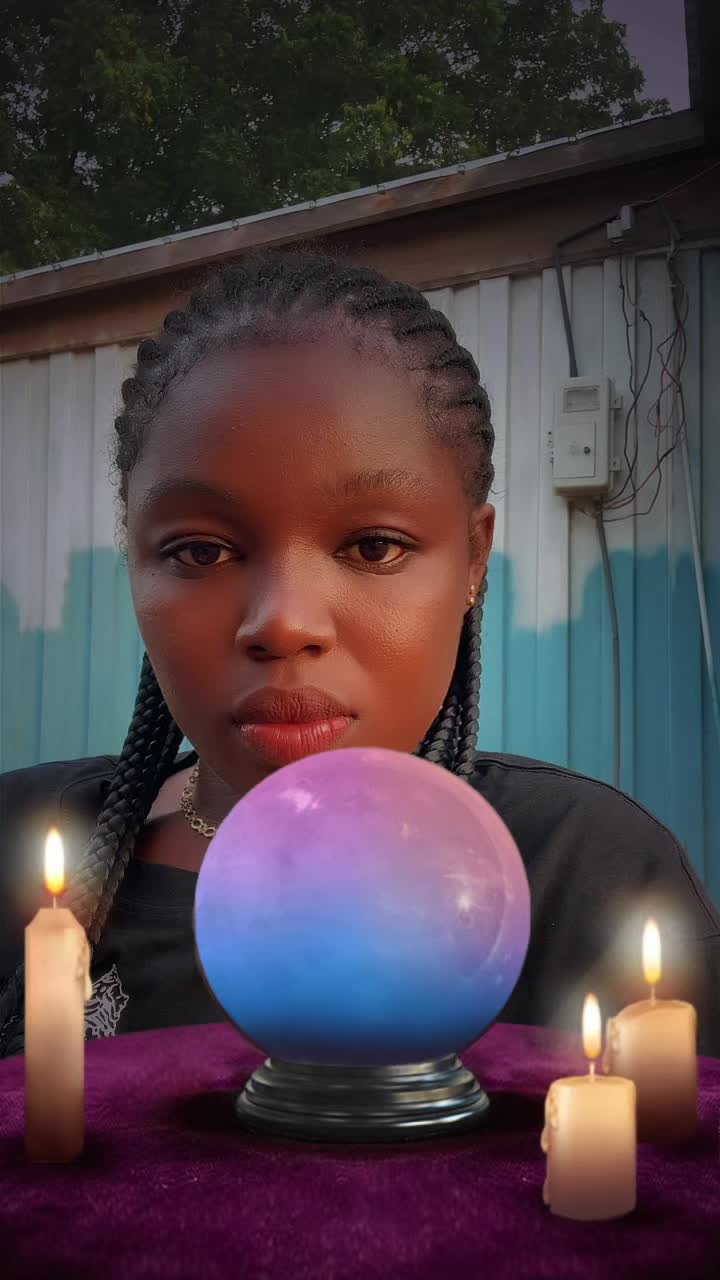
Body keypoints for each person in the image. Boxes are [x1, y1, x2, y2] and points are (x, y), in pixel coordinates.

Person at [1, 247, 719, 1060]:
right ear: (134, 556)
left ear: (474, 560)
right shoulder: (23, 846)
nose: (283, 624)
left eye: (374, 546)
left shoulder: (586, 873)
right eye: (201, 551)